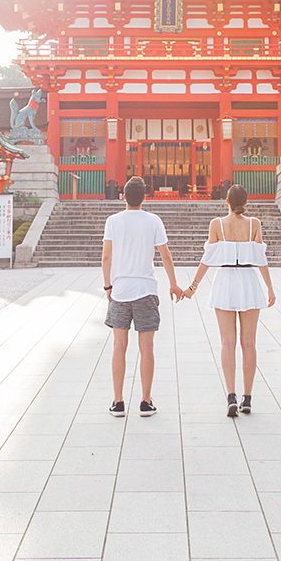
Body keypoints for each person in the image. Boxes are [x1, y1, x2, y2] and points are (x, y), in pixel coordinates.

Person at [183, 183, 275, 417]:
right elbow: (260, 259)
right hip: (248, 281)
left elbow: (207, 258)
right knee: (249, 343)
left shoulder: (216, 224)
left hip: (224, 280)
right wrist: (270, 289)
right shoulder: (254, 224)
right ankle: (248, 398)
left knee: (227, 343)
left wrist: (193, 286)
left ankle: (231, 396)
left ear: (226, 201)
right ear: (246, 202)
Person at [103, 176, 184, 417]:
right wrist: (174, 284)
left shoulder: (113, 221)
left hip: (120, 291)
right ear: (145, 197)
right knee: (146, 347)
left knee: (119, 345)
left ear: (123, 196)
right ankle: (145, 401)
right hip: (146, 290)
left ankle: (118, 402)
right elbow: (165, 255)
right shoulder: (153, 221)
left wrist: (108, 286)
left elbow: (106, 257)